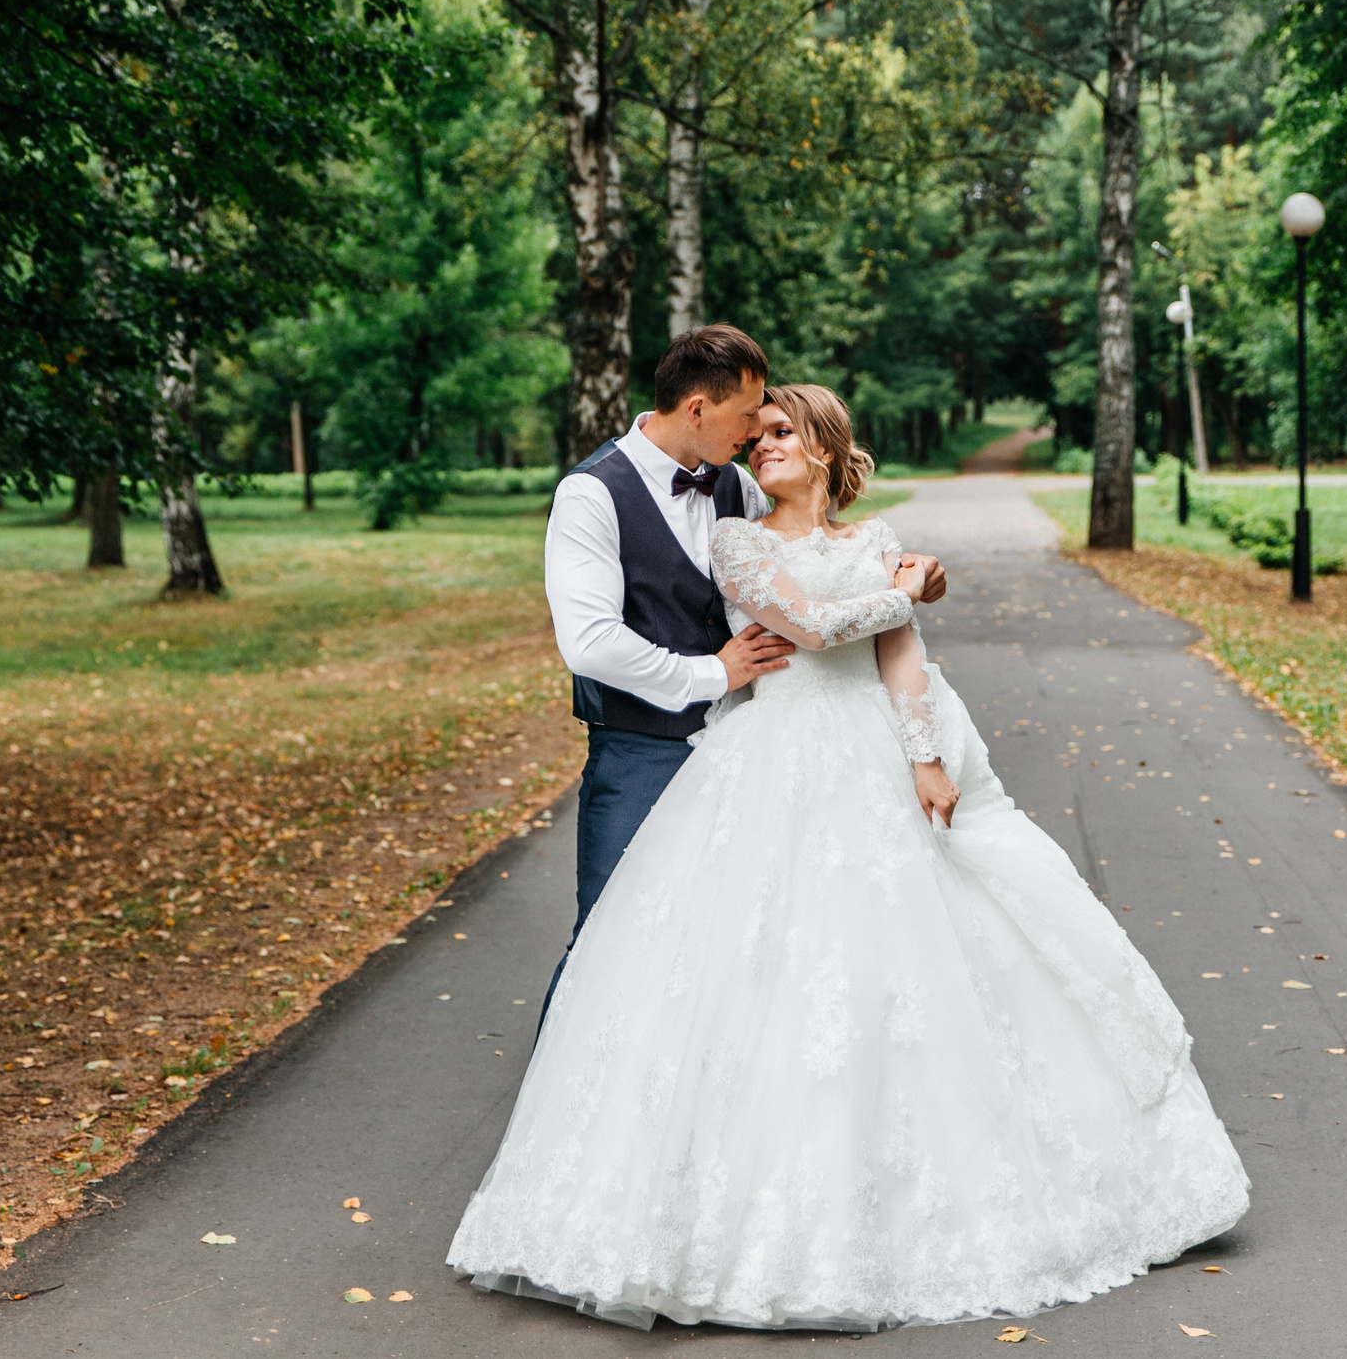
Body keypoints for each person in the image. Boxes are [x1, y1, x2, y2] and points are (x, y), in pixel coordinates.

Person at [451, 383, 1248, 1332]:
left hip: (872, 756)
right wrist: (902, 587)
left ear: (826, 449)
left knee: (908, 970)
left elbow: (898, 653)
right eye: (756, 435)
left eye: (781, 433)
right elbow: (813, 628)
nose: (761, 447)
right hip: (770, 756)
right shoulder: (738, 540)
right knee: (748, 971)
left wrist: (923, 754)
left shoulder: (875, 541)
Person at [539, 327, 938, 1015]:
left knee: (723, 946)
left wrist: (912, 579)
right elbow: (591, 643)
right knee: (609, 936)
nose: (756, 432)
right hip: (644, 749)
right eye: (748, 414)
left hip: (752, 751)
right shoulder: (591, 494)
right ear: (697, 409)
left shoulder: (738, 487)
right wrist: (711, 675)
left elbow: (804, 552)